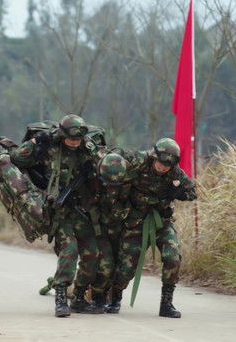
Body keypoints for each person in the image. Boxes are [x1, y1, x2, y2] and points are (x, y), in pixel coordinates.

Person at [11, 114, 101, 317]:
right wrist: (36, 141)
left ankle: (78, 296)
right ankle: (61, 297)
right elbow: (17, 158)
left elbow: (103, 162)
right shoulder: (49, 146)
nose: (74, 143)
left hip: (80, 209)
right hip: (57, 210)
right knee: (69, 249)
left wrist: (93, 164)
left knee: (93, 252)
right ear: (61, 134)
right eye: (71, 139)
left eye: (78, 139)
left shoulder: (87, 147)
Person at [110, 138, 196, 318]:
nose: (163, 167)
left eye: (168, 165)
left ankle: (166, 304)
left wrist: (179, 193)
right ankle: (115, 297)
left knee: (173, 257)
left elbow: (192, 192)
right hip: (136, 221)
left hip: (161, 222)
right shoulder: (139, 160)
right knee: (126, 267)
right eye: (161, 162)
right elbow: (114, 156)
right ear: (154, 156)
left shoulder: (176, 174)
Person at [90, 151, 132, 314]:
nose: (111, 188)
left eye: (116, 185)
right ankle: (97, 296)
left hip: (122, 227)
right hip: (98, 228)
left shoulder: (130, 179)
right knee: (105, 264)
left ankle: (115, 296)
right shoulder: (92, 179)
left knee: (125, 266)